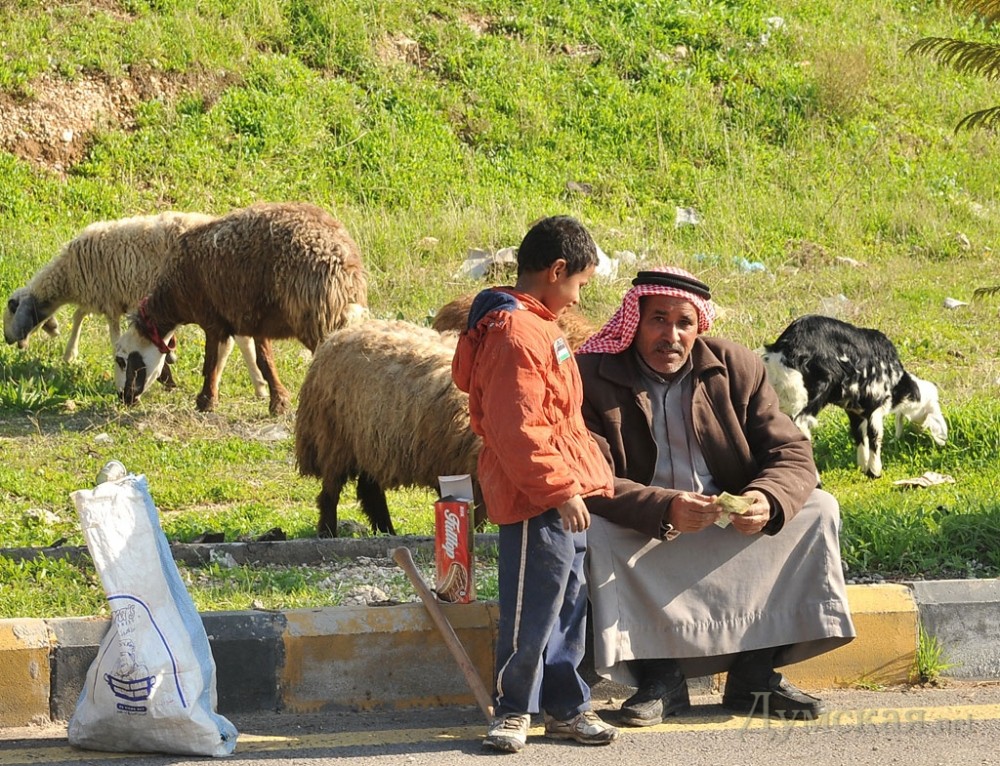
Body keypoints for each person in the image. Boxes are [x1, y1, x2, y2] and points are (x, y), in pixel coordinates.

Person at [575, 266, 856, 725]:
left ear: (698, 326)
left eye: (683, 323)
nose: (671, 336)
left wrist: (767, 498)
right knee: (597, 533)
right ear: (634, 322)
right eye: (658, 320)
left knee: (819, 509)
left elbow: (792, 452)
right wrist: (664, 507)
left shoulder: (735, 366)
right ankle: (660, 677)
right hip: (644, 523)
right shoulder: (592, 375)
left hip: (724, 519)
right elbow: (590, 475)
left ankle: (754, 674)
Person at [452, 216, 620, 753]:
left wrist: (572, 485)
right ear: (556, 270)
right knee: (532, 608)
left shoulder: (537, 325)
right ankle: (512, 710)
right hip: (535, 497)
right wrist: (560, 490)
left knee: (567, 603)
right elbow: (518, 428)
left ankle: (566, 708)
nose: (578, 297)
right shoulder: (516, 333)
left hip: (555, 490)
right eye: (579, 284)